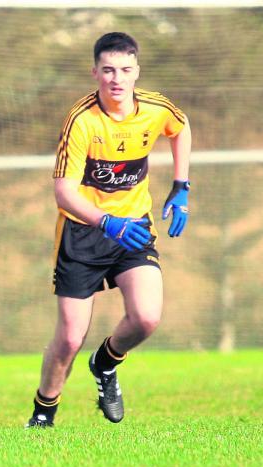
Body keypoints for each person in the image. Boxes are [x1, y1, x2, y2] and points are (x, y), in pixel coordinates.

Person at [26, 32, 191, 427]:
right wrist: (105, 221)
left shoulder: (154, 108)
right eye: (108, 70)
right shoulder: (81, 121)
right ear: (95, 72)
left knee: (147, 317)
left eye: (125, 70)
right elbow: (64, 193)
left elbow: (181, 127)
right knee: (68, 338)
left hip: (133, 228)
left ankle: (105, 363)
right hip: (83, 233)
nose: (117, 78)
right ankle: (44, 413)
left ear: (137, 71)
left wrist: (181, 187)